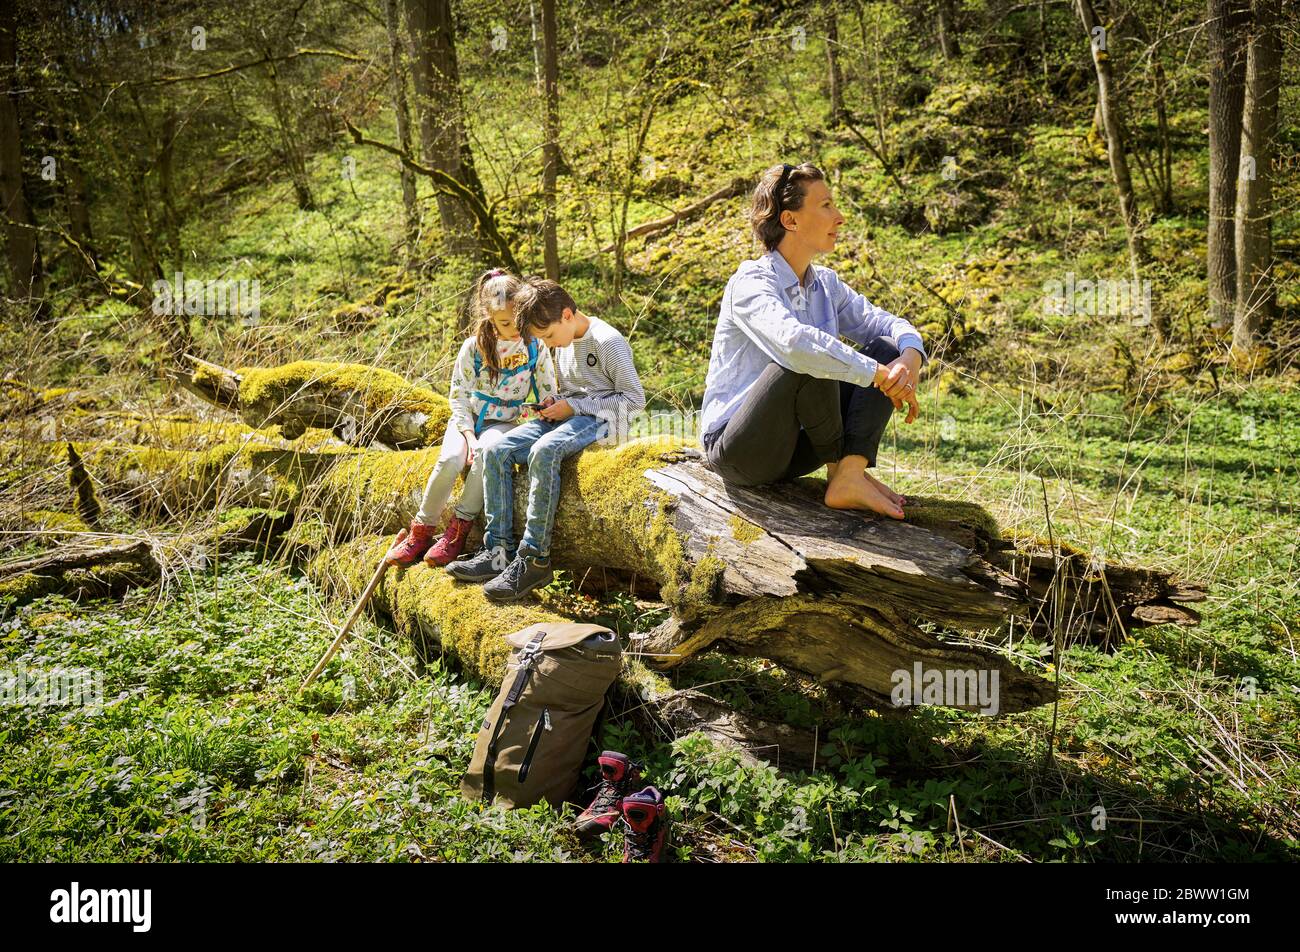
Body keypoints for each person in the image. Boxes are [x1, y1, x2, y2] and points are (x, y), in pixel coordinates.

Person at [699, 162, 927, 519]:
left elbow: (881, 322)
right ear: (790, 221)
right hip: (740, 450)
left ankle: (848, 475)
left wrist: (909, 357)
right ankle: (844, 473)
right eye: (826, 206)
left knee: (886, 346)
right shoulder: (750, 284)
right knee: (803, 361)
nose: (839, 217)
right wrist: (878, 375)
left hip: (798, 451)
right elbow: (795, 345)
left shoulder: (825, 285)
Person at [448, 277, 646, 601]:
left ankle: (534, 558)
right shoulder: (563, 344)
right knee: (497, 450)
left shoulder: (607, 341)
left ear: (567, 314)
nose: (550, 345)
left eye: (550, 336)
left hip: (602, 419)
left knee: (544, 449)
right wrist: (555, 404)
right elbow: (569, 392)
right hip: (571, 413)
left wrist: (575, 405)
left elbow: (635, 401)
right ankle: (497, 552)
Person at [384, 269, 556, 567]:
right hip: (468, 420)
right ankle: (421, 531)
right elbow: (458, 396)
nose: (513, 328)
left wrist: (548, 406)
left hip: (503, 423)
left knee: (487, 457)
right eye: (504, 322)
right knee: (450, 460)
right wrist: (469, 436)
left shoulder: (534, 345)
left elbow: (547, 389)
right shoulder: (473, 348)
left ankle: (457, 531)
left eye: (518, 320)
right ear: (488, 315)